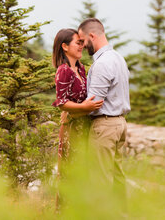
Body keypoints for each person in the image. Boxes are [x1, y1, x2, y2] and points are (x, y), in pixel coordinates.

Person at [77, 18, 131, 199]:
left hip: (104, 126)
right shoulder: (118, 58)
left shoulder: (101, 64)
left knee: (100, 180)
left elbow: (93, 104)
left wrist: (70, 109)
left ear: (92, 36)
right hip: (120, 123)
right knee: (117, 178)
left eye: (84, 41)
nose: (83, 46)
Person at [51, 28, 103, 166]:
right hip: (72, 128)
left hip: (85, 125)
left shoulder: (80, 68)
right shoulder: (64, 70)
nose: (82, 46)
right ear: (65, 46)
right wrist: (83, 107)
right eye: (78, 43)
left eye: (82, 43)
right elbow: (62, 103)